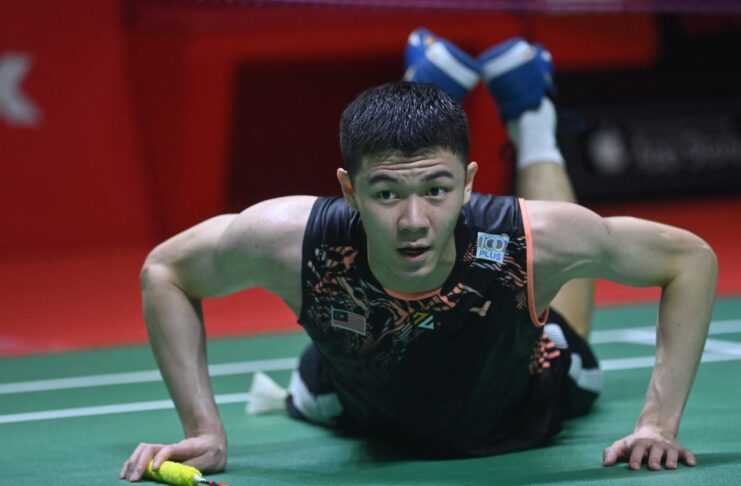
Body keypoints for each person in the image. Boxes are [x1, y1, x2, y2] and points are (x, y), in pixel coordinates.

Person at [120, 29, 717, 481]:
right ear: (348, 189)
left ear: (470, 183)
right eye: (385, 194)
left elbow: (688, 260)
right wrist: (203, 429)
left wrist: (657, 424)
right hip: (353, 397)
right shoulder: (292, 241)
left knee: (554, 272)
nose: (413, 221)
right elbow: (166, 271)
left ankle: (533, 117)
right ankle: (435, 93)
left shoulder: (527, 236)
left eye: (437, 190)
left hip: (523, 402)